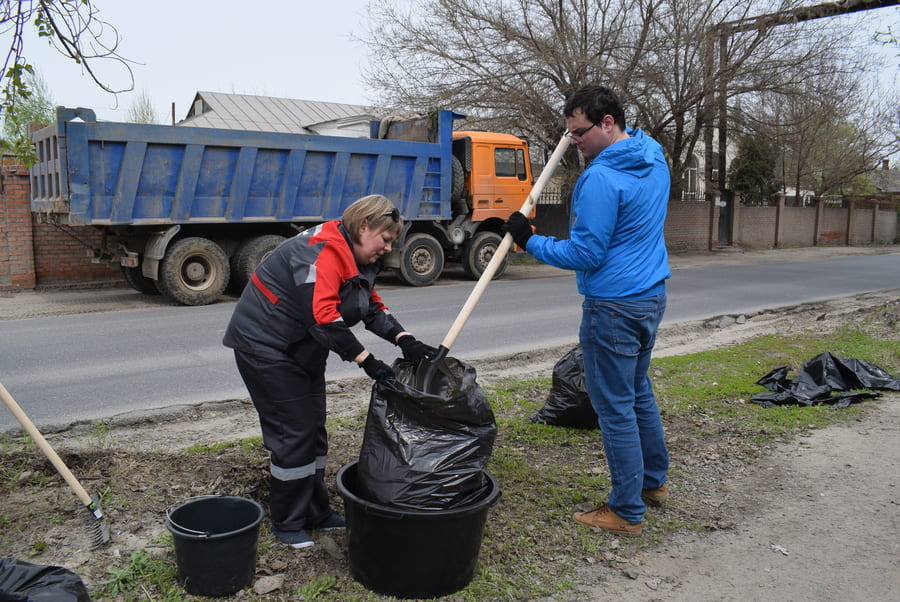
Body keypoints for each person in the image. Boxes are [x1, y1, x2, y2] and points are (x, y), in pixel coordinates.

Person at [503, 85, 671, 537]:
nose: (573, 141)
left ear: (608, 123)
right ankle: (653, 484)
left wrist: (528, 240)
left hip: (613, 307)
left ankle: (625, 511)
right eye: (570, 133)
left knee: (614, 407)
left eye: (579, 133)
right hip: (651, 296)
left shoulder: (599, 179)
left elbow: (585, 253)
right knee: (637, 392)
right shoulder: (653, 155)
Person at [223, 194, 436, 548]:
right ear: (364, 226)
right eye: (385, 240)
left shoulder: (358, 256)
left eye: (391, 243)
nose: (387, 248)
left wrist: (405, 340)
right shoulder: (321, 251)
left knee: (314, 429)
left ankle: (317, 512)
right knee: (294, 432)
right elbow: (323, 317)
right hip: (265, 348)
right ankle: (288, 523)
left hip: (302, 349)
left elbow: (367, 306)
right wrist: (367, 361)